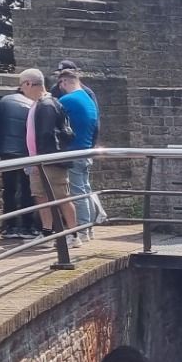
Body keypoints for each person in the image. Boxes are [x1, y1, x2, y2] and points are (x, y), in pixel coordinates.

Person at [19, 69, 76, 243]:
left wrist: (39, 161)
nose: (21, 90)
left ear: (29, 83)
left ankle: (74, 235)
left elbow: (46, 135)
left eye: (22, 85)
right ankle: (47, 233)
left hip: (48, 162)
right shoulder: (41, 103)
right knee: (41, 197)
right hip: (40, 161)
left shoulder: (46, 104)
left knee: (61, 197)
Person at [0, 74, 39, 238]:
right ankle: (28, 226)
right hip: (27, 154)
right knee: (28, 189)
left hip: (7, 154)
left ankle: (10, 226)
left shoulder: (3, 102)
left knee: (9, 189)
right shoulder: (33, 105)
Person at [54, 61, 99, 240]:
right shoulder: (88, 99)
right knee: (85, 190)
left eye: (61, 85)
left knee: (77, 193)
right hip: (86, 150)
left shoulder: (67, 100)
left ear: (64, 82)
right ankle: (88, 228)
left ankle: (81, 230)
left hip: (73, 152)